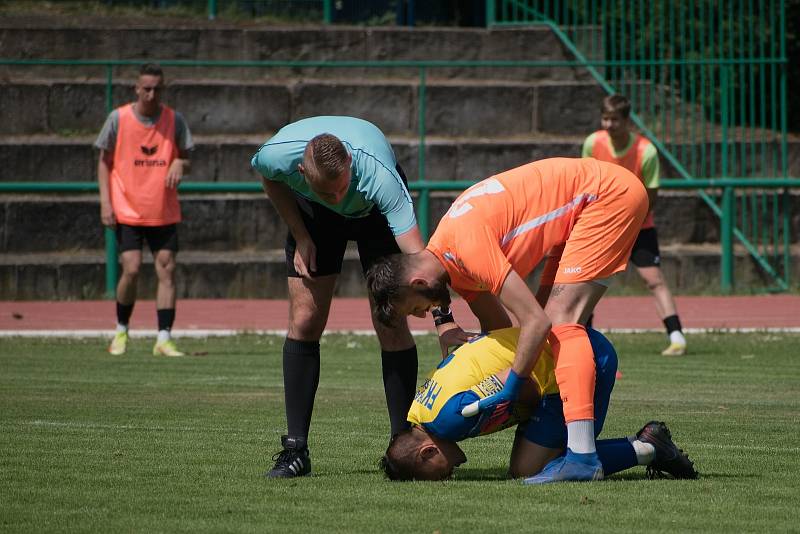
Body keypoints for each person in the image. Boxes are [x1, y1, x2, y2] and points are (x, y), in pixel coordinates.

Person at [366, 157, 649, 483]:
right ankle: (623, 448)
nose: (423, 314)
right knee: (550, 330)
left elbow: (536, 323)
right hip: (583, 208)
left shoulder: (466, 248)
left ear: (417, 284)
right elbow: (504, 334)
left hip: (604, 197)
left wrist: (510, 389)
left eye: (415, 308)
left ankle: (583, 457)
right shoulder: (454, 260)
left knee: (559, 324)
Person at [250, 116, 425, 478]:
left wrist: (444, 318)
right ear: (301, 171)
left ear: (349, 163)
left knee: (390, 321)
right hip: (313, 219)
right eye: (327, 191)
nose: (337, 199)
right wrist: (300, 235)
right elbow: (269, 178)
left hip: (373, 217)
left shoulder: (378, 176)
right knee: (304, 320)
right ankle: (295, 450)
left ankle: (401, 446)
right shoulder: (277, 156)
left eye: (341, 188)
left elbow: (419, 259)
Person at [380, 327, 698, 482]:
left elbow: (518, 383)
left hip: (577, 362)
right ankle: (642, 444)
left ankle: (648, 448)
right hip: (565, 350)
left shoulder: (448, 421)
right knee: (532, 460)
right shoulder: (420, 410)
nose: (452, 474)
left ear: (428, 451)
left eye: (441, 474)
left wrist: (534, 427)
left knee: (530, 468)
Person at [95, 63, 193, 358]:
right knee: (132, 268)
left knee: (167, 269)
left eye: (157, 88)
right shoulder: (119, 118)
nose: (151, 94)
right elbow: (103, 161)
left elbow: (187, 158)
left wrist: (180, 163)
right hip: (128, 208)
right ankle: (122, 330)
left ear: (163, 89)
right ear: (136, 89)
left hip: (162, 210)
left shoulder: (174, 120)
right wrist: (105, 201)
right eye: (146, 88)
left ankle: (163, 339)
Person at [582, 94, 687, 356]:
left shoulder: (645, 151)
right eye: (605, 118)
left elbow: (650, 197)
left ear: (627, 121)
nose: (608, 124)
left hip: (638, 224)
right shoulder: (593, 143)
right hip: (602, 226)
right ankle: (583, 338)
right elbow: (584, 183)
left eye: (614, 119)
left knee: (654, 280)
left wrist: (627, 219)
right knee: (586, 279)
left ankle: (677, 337)